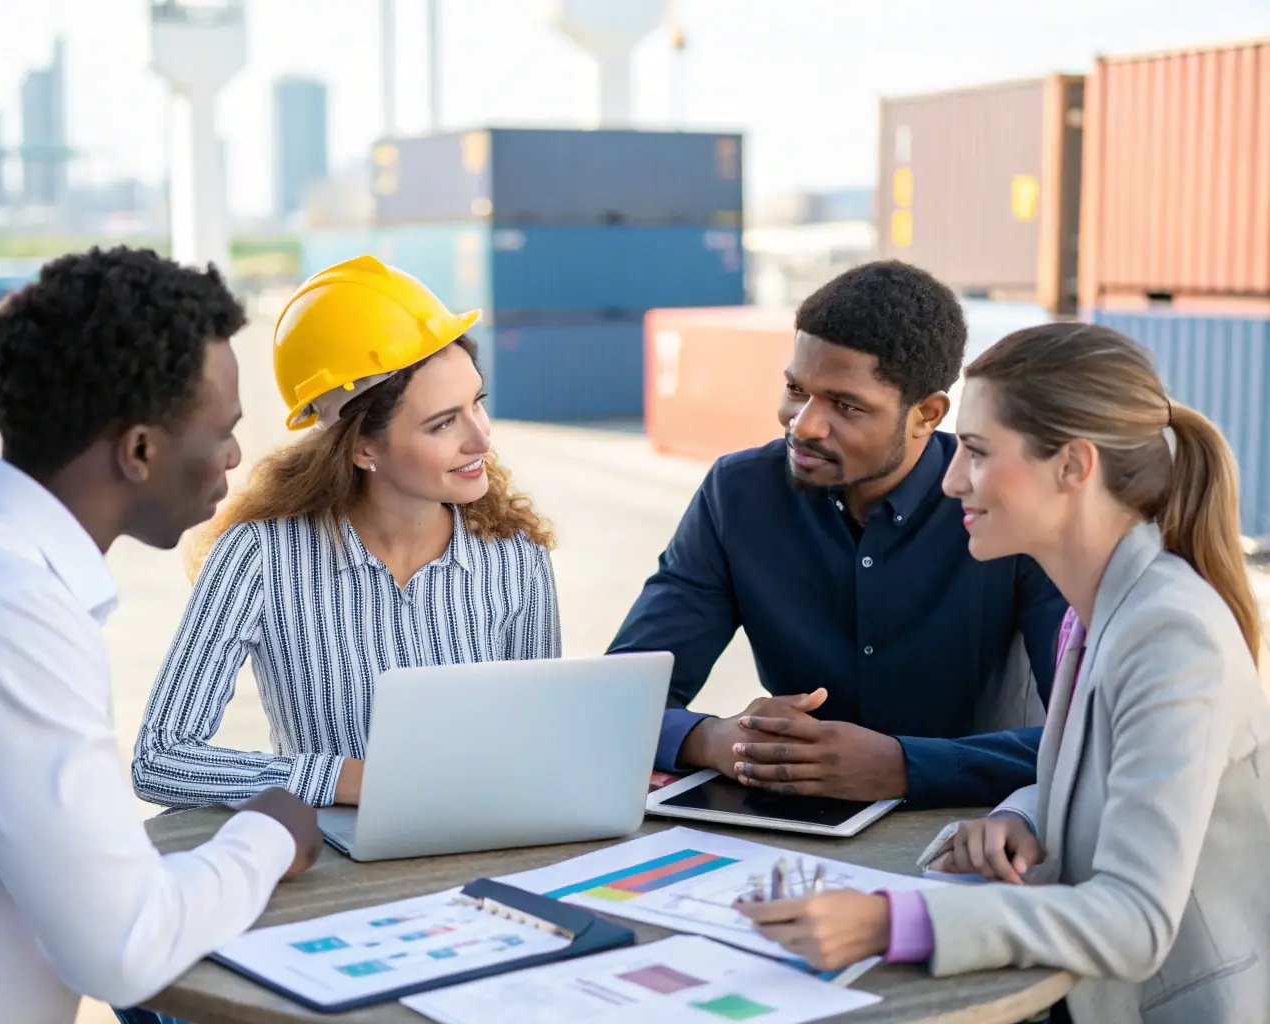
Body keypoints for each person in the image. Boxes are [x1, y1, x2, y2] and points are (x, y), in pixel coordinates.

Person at [736, 323, 1270, 1024]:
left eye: (978, 453)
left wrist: (889, 922)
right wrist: (1023, 810)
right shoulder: (1104, 605)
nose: (953, 477)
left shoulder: (1170, 634)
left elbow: (1136, 922)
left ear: (1072, 467)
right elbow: (1115, 780)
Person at [0, 247, 323, 1024]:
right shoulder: (6, 612)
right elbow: (123, 946)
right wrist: (270, 831)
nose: (235, 455)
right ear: (139, 452)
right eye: (223, 431)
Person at [609, 261, 1068, 808]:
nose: (803, 424)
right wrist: (713, 739)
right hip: (783, 829)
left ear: (926, 413)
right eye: (794, 389)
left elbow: (1086, 739)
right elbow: (617, 698)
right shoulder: (738, 495)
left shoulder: (1005, 509)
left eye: (845, 405)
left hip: (976, 828)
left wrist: (904, 766)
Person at [130, 254, 560, 811]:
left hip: (489, 841)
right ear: (363, 447)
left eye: (476, 404)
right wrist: (345, 780)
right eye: (443, 423)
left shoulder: (515, 558)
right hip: (337, 868)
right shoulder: (259, 559)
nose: (482, 441)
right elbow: (161, 760)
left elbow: (541, 741)